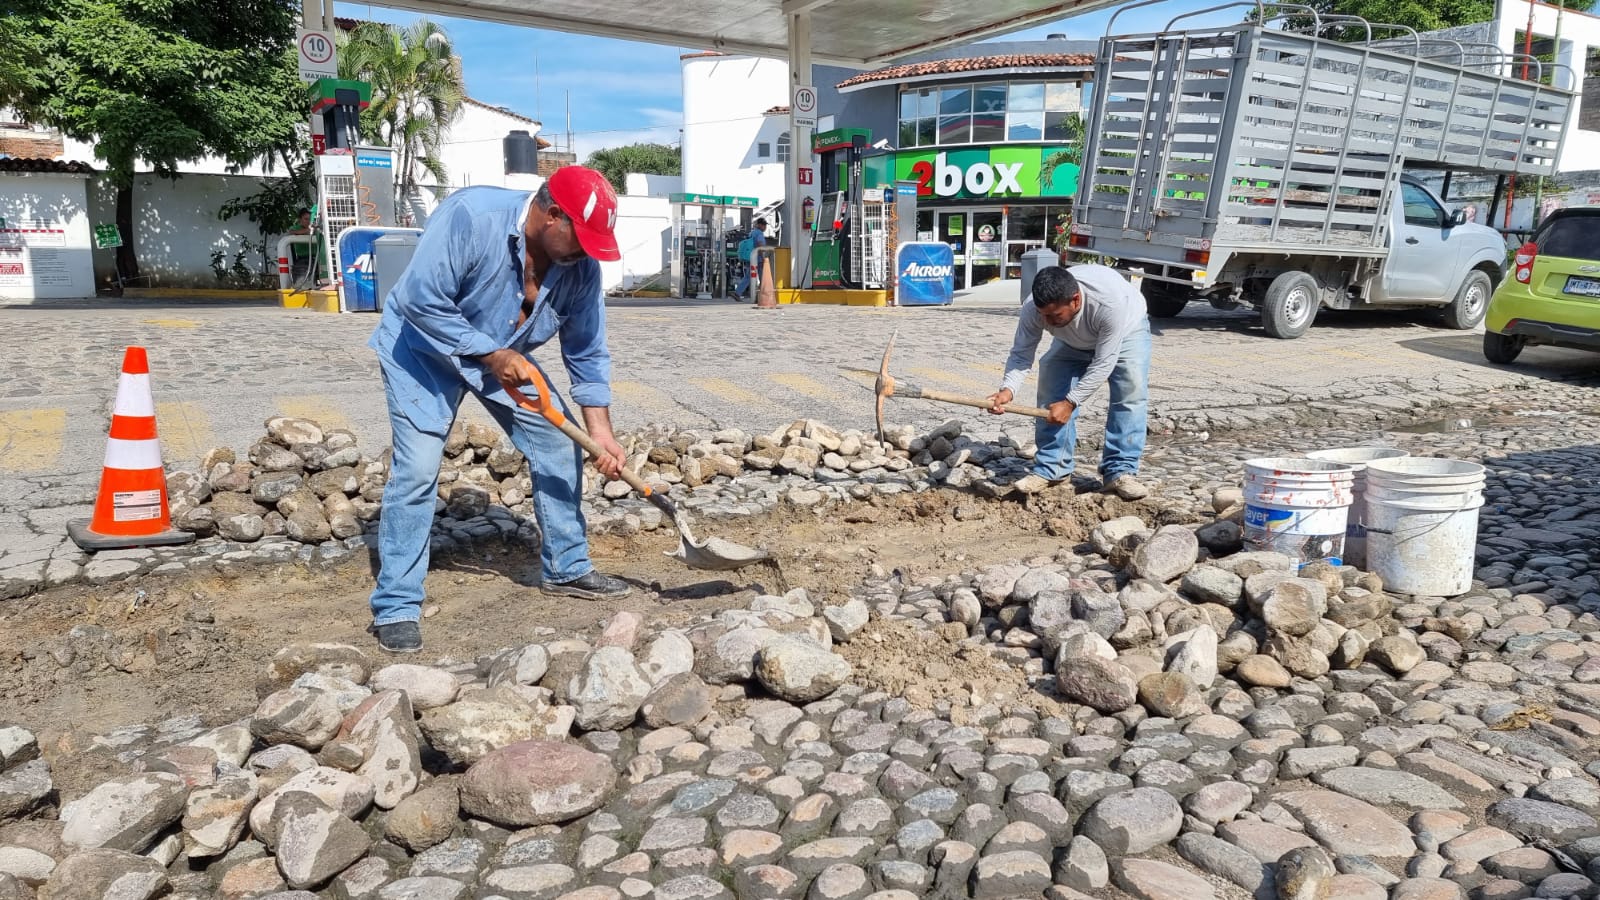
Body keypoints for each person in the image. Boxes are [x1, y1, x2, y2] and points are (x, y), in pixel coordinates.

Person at [366, 165, 631, 654]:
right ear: (553, 215)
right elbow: (420, 300)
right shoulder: (471, 216)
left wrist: (601, 433)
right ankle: (397, 605)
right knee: (417, 471)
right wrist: (491, 354)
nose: (587, 253)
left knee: (558, 445)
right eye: (582, 239)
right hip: (420, 351)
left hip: (503, 359)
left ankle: (567, 567)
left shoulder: (580, 268)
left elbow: (587, 352)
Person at [986, 264, 1152, 500]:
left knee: (1130, 394)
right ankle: (1052, 469)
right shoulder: (1034, 308)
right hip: (1071, 342)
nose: (1048, 321)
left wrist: (1071, 402)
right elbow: (1022, 353)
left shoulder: (1109, 305)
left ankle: (1120, 471)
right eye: (1044, 315)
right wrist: (1007, 390)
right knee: (1051, 390)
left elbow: (1103, 363)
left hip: (1126, 333)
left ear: (1075, 300)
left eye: (1055, 315)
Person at [734, 217, 767, 301]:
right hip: (758, 259)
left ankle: (738, 292)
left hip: (750, 258)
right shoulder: (759, 234)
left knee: (749, 276)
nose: (765, 227)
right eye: (764, 225)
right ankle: (762, 296)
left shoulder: (752, 233)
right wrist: (763, 258)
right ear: (759, 225)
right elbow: (760, 245)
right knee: (763, 277)